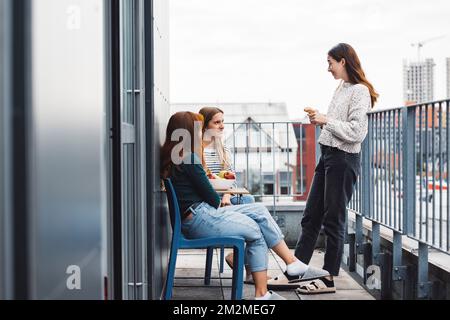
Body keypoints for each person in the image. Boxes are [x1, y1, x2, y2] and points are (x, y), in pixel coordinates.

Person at [161, 111, 325, 300]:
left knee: (259, 211)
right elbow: (213, 199)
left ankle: (291, 263)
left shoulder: (177, 156)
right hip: (199, 218)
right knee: (256, 230)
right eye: (197, 129)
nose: (201, 134)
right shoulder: (190, 159)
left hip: (196, 216)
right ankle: (263, 294)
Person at [292, 43, 379, 295]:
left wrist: (326, 119)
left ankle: (327, 277)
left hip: (343, 159)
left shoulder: (360, 91)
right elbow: (336, 126)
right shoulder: (342, 87)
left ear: (343, 61)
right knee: (311, 217)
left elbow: (356, 132)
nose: (327, 68)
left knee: (333, 219)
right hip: (327, 156)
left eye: (330, 62)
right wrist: (321, 119)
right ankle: (297, 268)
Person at [198, 106, 255, 206]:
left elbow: (231, 179)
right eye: (217, 122)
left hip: (224, 197)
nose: (222, 126)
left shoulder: (224, 149)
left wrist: (227, 196)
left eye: (222, 121)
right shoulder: (196, 150)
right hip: (205, 198)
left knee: (249, 199)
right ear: (205, 126)